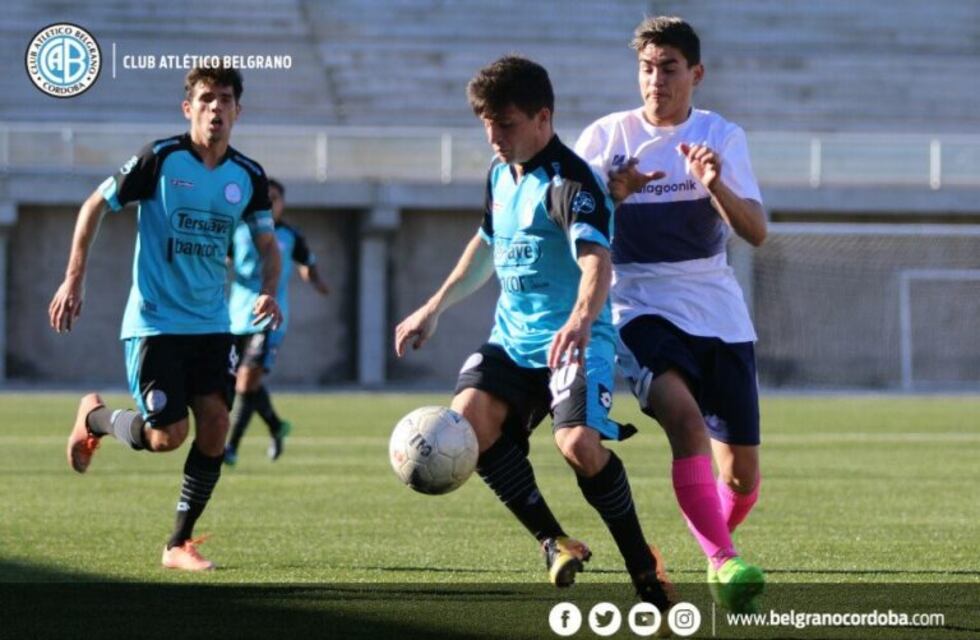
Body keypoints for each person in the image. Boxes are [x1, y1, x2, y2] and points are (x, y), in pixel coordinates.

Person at [395, 55, 672, 611]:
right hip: (513, 341)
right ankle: (554, 541)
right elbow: (487, 246)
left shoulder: (571, 183)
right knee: (470, 424)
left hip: (576, 338)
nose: (494, 136)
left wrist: (579, 320)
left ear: (543, 118)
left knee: (578, 447)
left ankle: (645, 570)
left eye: (506, 123)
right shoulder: (501, 174)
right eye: (487, 124)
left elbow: (597, 262)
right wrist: (434, 307)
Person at [49, 65, 282, 572]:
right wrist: (74, 278)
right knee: (165, 438)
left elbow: (268, 245)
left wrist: (268, 290)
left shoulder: (248, 176)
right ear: (188, 108)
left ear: (238, 110)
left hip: (211, 323)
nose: (215, 108)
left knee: (217, 423)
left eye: (225, 99)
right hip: (155, 323)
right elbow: (94, 204)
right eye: (205, 98)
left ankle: (178, 544)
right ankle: (94, 418)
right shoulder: (160, 158)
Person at [574, 16, 767, 612]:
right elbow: (569, 224)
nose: (656, 80)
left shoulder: (722, 136)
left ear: (696, 74)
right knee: (683, 418)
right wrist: (612, 193)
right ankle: (723, 560)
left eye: (669, 68)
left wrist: (715, 187)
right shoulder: (606, 139)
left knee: (740, 478)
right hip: (638, 303)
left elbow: (755, 232)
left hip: (718, 309)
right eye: (647, 68)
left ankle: (716, 537)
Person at [224, 178, 329, 466]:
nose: (270, 204)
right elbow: (224, 258)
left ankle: (230, 447)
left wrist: (316, 280)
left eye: (275, 199)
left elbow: (307, 261)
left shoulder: (290, 236)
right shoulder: (240, 229)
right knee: (236, 384)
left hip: (270, 319)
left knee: (246, 381)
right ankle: (275, 425)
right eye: (265, 198)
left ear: (283, 204)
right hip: (235, 318)